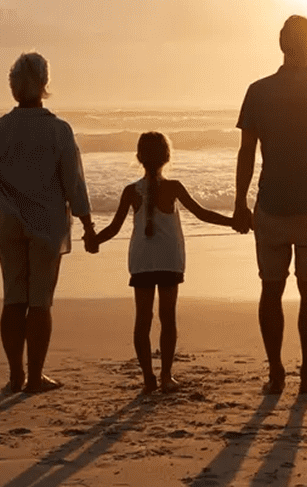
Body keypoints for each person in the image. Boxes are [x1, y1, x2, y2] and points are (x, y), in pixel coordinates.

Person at [234, 15, 307, 395]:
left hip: (270, 203)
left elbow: (247, 154)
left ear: (281, 44)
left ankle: (275, 372)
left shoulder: (258, 91)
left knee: (271, 289)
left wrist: (240, 202)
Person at [0, 52, 96, 394]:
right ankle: (34, 376)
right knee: (40, 302)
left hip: (8, 223)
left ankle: (15, 375)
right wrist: (87, 224)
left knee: (13, 298)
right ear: (44, 85)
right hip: (47, 224)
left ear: (14, 87)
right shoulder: (58, 130)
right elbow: (73, 184)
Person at [88, 132, 238, 394]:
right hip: (170, 259)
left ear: (139, 158)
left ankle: (148, 378)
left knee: (142, 319)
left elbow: (112, 228)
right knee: (168, 318)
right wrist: (233, 222)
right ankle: (166, 375)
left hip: (142, 260)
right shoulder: (174, 187)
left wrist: (93, 239)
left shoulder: (130, 191)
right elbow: (202, 214)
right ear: (168, 157)